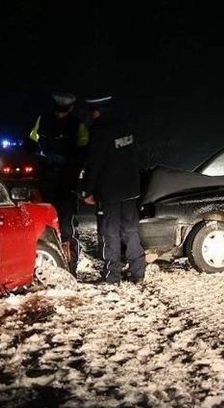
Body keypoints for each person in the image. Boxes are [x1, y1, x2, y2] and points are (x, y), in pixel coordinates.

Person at [80, 94, 146, 285]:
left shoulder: (100, 130)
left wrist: (87, 190)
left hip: (110, 192)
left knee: (110, 233)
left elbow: (95, 163)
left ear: (96, 112)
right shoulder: (126, 125)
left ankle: (113, 276)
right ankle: (138, 272)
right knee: (130, 230)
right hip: (131, 189)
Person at [28, 92, 89, 275]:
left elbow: (30, 143)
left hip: (51, 181)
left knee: (52, 224)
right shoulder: (78, 124)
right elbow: (84, 150)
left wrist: (44, 157)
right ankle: (68, 266)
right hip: (64, 182)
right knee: (64, 225)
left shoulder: (44, 120)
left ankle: (60, 266)